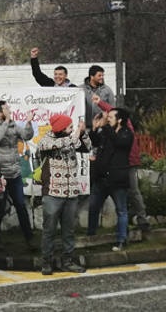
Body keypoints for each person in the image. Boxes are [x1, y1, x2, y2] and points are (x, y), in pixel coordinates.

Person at [37, 114, 91, 275]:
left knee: (69, 231)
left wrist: (83, 133)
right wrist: (73, 137)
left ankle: (67, 261)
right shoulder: (47, 139)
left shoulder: (72, 138)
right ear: (60, 129)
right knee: (49, 231)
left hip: (71, 193)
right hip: (53, 193)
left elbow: (87, 147)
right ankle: (46, 262)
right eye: (69, 127)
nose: (71, 129)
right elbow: (45, 146)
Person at [92, 94, 151, 233]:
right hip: (114, 168)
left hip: (129, 163)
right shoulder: (110, 131)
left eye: (111, 117)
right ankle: (133, 218)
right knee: (125, 194)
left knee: (133, 191)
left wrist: (100, 103)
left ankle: (142, 219)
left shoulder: (126, 129)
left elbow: (114, 111)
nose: (108, 118)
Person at [0, 101, 36, 247]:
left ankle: (29, 237)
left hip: (15, 173)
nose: (9, 110)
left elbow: (26, 136)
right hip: (0, 175)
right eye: (6, 108)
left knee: (20, 205)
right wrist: (6, 121)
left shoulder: (13, 125)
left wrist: (28, 122)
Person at [87, 108, 134, 251]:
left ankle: (121, 240)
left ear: (120, 120)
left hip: (117, 180)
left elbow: (118, 142)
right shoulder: (107, 132)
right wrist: (94, 129)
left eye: (111, 117)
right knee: (93, 207)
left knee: (121, 210)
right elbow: (95, 142)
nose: (108, 119)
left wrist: (105, 126)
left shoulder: (127, 134)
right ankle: (91, 237)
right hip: (101, 179)